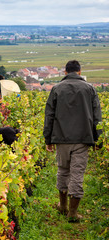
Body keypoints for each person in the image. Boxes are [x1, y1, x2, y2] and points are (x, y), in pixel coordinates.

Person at [43, 60, 102, 222]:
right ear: (80, 72)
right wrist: (99, 140)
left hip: (61, 138)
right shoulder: (90, 89)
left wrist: (48, 139)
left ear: (65, 72)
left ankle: (62, 206)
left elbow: (49, 116)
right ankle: (73, 213)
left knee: (63, 171)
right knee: (77, 174)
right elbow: (97, 117)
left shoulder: (56, 89)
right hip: (83, 139)